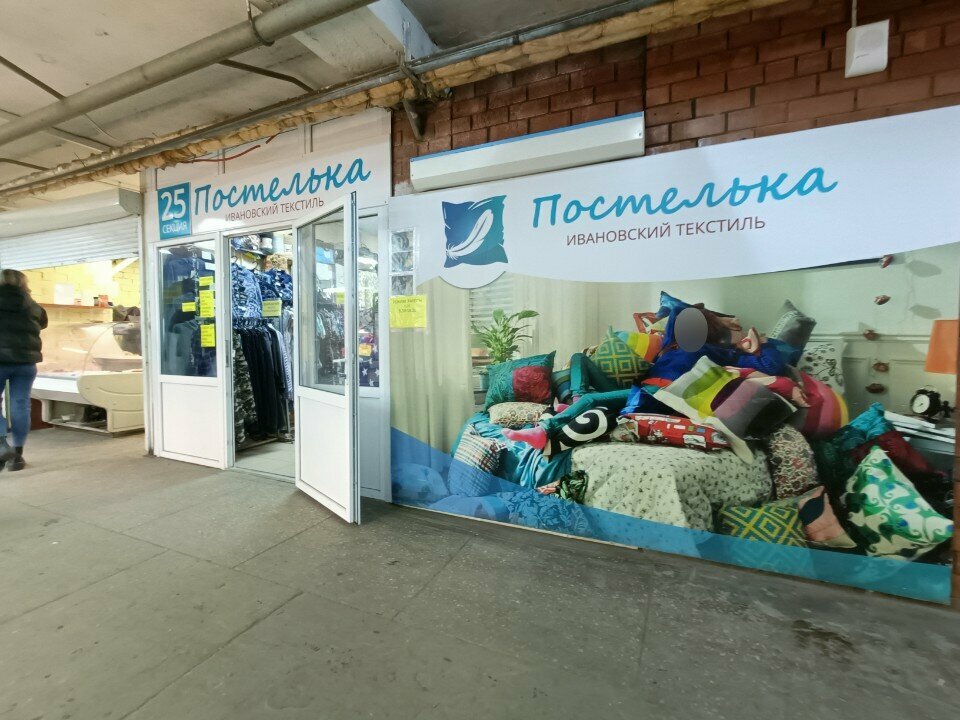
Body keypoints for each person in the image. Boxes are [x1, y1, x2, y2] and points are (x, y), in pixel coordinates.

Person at [0, 269, 48, 471]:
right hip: (26, 363)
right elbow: (43, 323)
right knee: (20, 404)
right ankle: (17, 456)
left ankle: (1, 445)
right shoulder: (34, 306)